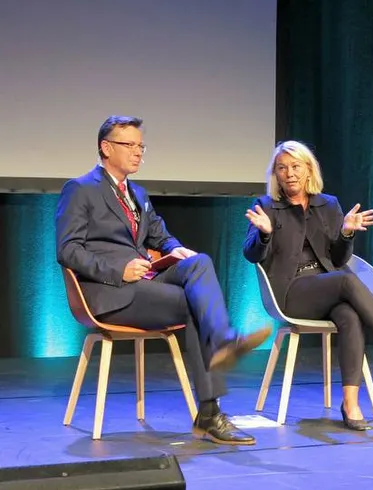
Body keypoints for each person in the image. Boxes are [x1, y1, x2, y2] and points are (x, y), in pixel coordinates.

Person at [55, 115, 272, 445]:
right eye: (129, 145)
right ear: (105, 147)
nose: (138, 152)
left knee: (199, 262)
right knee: (193, 305)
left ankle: (224, 341)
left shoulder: (138, 193)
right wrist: (118, 270)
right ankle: (210, 410)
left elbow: (159, 235)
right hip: (109, 292)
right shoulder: (80, 189)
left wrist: (176, 249)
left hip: (146, 282)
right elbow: (68, 250)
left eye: (141, 146)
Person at [243, 140, 373, 431]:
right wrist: (263, 235)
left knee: (350, 316)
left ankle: (350, 403)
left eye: (295, 167)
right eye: (282, 168)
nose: (289, 173)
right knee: (344, 280)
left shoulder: (328, 205)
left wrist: (347, 234)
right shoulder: (266, 207)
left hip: (328, 286)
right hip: (290, 292)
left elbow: (339, 258)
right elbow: (250, 254)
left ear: (308, 170)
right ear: (275, 174)